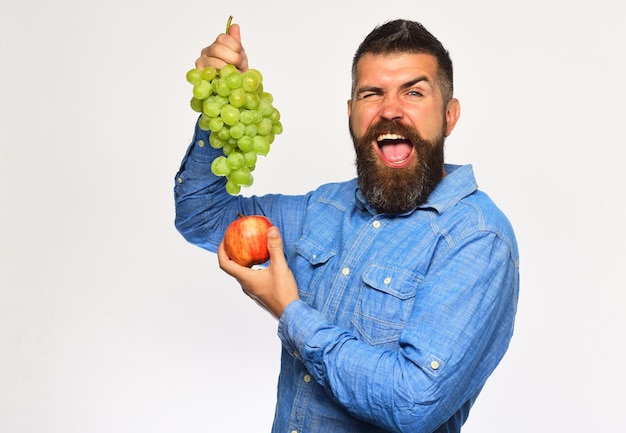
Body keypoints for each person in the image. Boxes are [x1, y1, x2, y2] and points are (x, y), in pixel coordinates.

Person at [174, 18, 519, 433]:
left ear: (449, 116)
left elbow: (412, 402)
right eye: (372, 93)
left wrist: (290, 312)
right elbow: (201, 215)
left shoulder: (477, 238)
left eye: (413, 92)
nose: (390, 109)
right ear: (351, 113)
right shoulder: (323, 208)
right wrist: (222, 108)